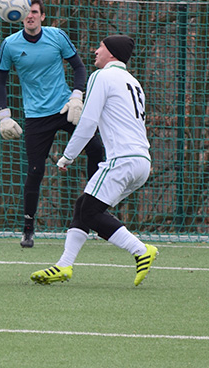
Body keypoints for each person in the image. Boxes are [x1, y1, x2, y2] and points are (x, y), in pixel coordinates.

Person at [30, 35, 158, 287]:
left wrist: (68, 156)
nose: (95, 50)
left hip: (122, 159)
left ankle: (140, 250)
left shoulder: (102, 76)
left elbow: (88, 122)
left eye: (100, 46)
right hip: (142, 161)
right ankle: (64, 265)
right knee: (84, 205)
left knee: (90, 210)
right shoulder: (133, 81)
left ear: (111, 52)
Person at [0, 0, 104, 247]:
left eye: (34, 12)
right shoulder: (10, 45)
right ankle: (28, 228)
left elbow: (79, 67)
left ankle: (97, 213)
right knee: (35, 171)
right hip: (35, 117)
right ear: (19, 16)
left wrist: (77, 96)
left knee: (96, 148)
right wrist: (4, 115)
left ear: (43, 16)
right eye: (26, 13)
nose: (30, 16)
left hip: (65, 108)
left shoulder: (57, 36)